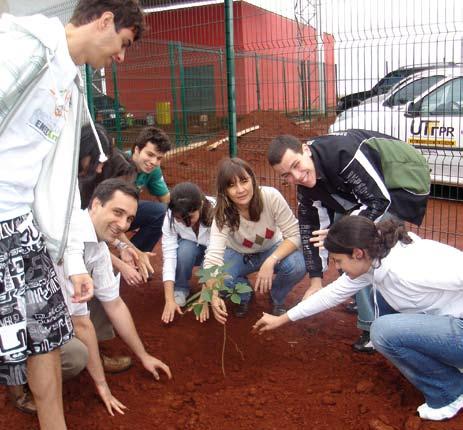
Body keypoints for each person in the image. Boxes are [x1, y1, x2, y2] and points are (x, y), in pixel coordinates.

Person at [0, 1, 144, 428]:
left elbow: (58, 184)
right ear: (103, 22)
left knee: (46, 336)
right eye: (122, 43)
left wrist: (72, 256)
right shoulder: (23, 48)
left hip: (23, 225)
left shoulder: (70, 83)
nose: (120, 57)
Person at [254, 215, 463, 422]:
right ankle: (446, 361)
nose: (338, 267)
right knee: (382, 298)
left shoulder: (408, 268)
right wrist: (282, 319)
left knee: (383, 331)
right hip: (448, 320)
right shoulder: (374, 262)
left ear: (357, 253)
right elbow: (332, 294)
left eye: (338, 260)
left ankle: (449, 391)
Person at [267, 129, 430, 352]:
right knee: (342, 246)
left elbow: (379, 200)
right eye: (286, 175)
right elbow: (310, 230)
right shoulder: (306, 185)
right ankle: (366, 299)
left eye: (296, 165)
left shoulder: (341, 153)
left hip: (402, 178)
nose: (297, 177)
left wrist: (338, 231)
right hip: (370, 190)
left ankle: (374, 328)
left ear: (305, 150)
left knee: (358, 247)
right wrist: (315, 280)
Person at [58, 179, 172, 415]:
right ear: (96, 204)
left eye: (129, 219)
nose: (123, 224)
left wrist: (143, 356)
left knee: (102, 292)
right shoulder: (71, 239)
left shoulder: (99, 245)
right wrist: (103, 387)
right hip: (20, 318)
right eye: (118, 213)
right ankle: (21, 378)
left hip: (55, 307)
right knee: (75, 356)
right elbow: (81, 323)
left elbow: (115, 304)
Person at [202, 158, 306, 323]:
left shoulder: (270, 197)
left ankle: (276, 297)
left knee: (298, 264)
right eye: (231, 185)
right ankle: (244, 295)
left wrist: (271, 260)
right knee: (218, 278)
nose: (240, 189)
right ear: (224, 191)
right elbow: (213, 256)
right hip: (238, 253)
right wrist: (213, 295)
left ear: (253, 179)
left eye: (244, 181)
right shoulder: (222, 213)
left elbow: (295, 234)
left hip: (272, 249)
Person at [161, 182, 215, 324]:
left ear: (201, 205)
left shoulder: (217, 213)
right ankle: (180, 288)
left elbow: (214, 256)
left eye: (190, 217)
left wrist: (205, 296)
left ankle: (211, 290)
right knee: (184, 249)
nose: (185, 223)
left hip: (218, 252)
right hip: (193, 248)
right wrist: (169, 299)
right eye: (179, 218)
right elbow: (169, 255)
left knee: (214, 268)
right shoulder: (170, 217)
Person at [125, 126, 172, 252]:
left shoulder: (154, 170)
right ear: (137, 149)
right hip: (103, 215)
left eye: (159, 158)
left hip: (127, 211)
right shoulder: (120, 166)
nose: (154, 162)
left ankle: (135, 261)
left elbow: (166, 199)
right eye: (150, 154)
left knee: (162, 213)